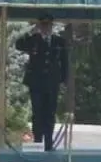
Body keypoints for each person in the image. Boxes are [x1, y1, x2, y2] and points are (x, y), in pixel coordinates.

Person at [15, 13, 68, 152]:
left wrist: (64, 80)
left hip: (52, 83)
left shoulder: (59, 42)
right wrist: (31, 31)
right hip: (36, 83)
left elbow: (65, 62)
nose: (46, 28)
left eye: (48, 25)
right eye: (43, 25)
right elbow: (18, 45)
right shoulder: (33, 40)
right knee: (37, 113)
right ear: (40, 26)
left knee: (50, 113)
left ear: (52, 26)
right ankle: (38, 142)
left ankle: (49, 143)